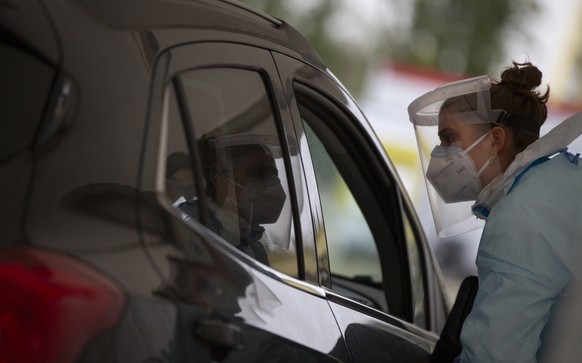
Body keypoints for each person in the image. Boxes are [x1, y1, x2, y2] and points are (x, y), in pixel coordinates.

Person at [408, 61, 582, 362]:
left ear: (496, 140)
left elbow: (493, 355)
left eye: (449, 138)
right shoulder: (553, 188)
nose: (439, 153)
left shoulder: (522, 217)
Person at [169, 134, 287, 266]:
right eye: (258, 173)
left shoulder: (254, 247)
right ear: (221, 183)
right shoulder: (188, 227)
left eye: (274, 175)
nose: (273, 184)